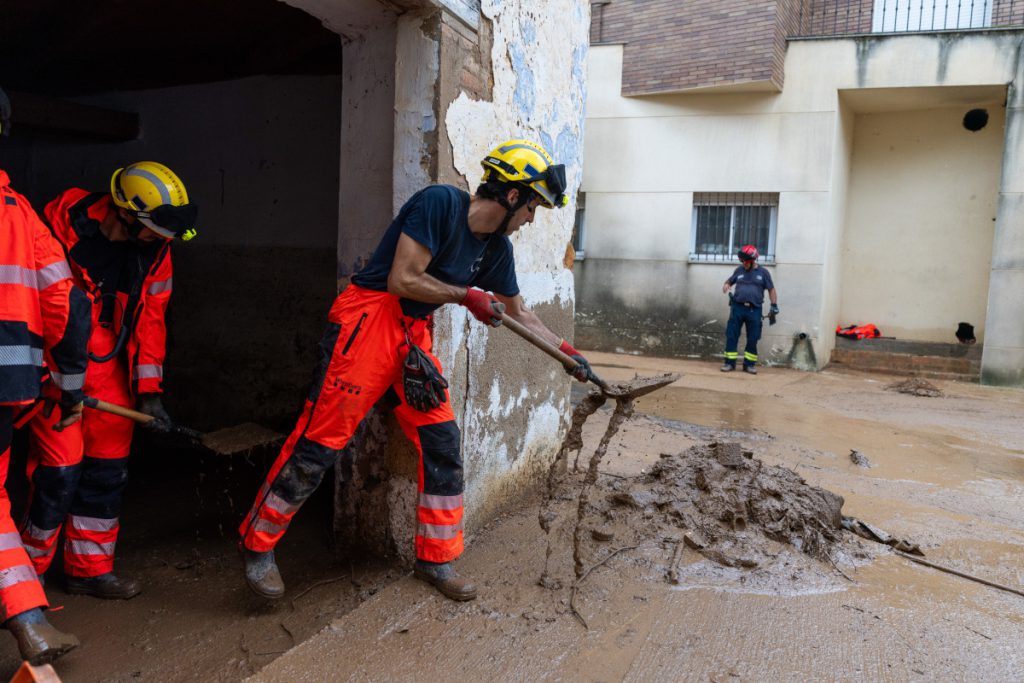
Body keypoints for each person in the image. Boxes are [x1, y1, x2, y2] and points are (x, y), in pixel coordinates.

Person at [239, 139, 593, 602]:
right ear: (511, 196)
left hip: (412, 337)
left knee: (442, 442)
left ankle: (436, 559)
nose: (532, 219)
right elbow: (402, 279)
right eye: (532, 207)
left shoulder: (496, 251)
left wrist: (568, 354)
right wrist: (465, 295)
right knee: (319, 442)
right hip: (367, 324)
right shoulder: (439, 204)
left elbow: (520, 314)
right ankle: (258, 545)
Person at [20, 161, 198, 599]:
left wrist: (150, 394)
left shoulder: (157, 248)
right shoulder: (58, 226)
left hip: (107, 361)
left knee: (107, 469)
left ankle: (89, 569)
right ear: (123, 213)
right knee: (57, 471)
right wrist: (54, 374)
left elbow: (151, 321)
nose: (164, 239)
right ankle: (26, 579)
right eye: (156, 229)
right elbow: (40, 303)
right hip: (55, 354)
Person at [0, 86, 91, 663]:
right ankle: (27, 617)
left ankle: (27, 619)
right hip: (12, 387)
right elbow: (65, 300)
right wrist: (72, 376)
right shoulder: (19, 211)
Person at [721, 244, 778, 375]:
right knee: (732, 335)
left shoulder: (763, 273)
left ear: (753, 261)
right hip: (737, 308)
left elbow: (771, 289)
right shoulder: (739, 270)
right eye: (742, 261)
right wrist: (726, 285)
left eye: (745, 262)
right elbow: (729, 281)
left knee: (753, 337)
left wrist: (774, 305)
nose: (743, 264)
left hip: (754, 310)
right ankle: (729, 363)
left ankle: (749, 365)